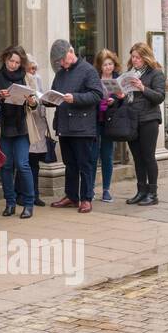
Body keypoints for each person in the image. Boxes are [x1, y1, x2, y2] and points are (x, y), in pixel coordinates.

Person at [47, 38, 102, 214]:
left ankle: (86, 198)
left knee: (84, 164)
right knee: (69, 164)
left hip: (83, 127)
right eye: (59, 62)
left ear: (70, 52)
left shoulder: (88, 70)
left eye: (63, 60)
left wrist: (76, 98)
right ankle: (71, 196)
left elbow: (96, 95)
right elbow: (55, 93)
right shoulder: (61, 73)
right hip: (64, 125)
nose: (62, 64)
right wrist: (45, 100)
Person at [0, 46, 38, 219]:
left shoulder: (27, 77)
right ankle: (10, 203)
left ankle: (28, 204)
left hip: (22, 126)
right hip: (4, 127)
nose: (13, 65)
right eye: (11, 61)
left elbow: (35, 106)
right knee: (5, 166)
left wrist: (31, 101)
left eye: (17, 62)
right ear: (5, 59)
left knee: (22, 164)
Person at [123, 42, 167, 206]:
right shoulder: (128, 74)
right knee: (137, 157)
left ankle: (153, 193)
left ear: (145, 57)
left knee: (148, 157)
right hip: (132, 119)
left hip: (149, 119)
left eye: (138, 57)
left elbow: (159, 97)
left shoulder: (156, 74)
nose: (134, 60)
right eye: (133, 57)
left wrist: (142, 88)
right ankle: (141, 191)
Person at [94, 48, 123, 204]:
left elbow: (124, 100)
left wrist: (116, 100)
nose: (108, 67)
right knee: (92, 155)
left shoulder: (118, 79)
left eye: (110, 64)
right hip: (95, 120)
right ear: (100, 66)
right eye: (105, 64)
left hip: (111, 121)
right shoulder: (94, 78)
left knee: (107, 155)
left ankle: (106, 190)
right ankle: (90, 189)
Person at [23, 54, 51, 204]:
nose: (33, 71)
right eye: (31, 68)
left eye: (35, 68)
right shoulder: (24, 79)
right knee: (25, 163)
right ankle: (26, 194)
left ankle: (35, 194)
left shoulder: (37, 78)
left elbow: (41, 96)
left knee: (35, 163)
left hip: (39, 124)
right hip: (28, 125)